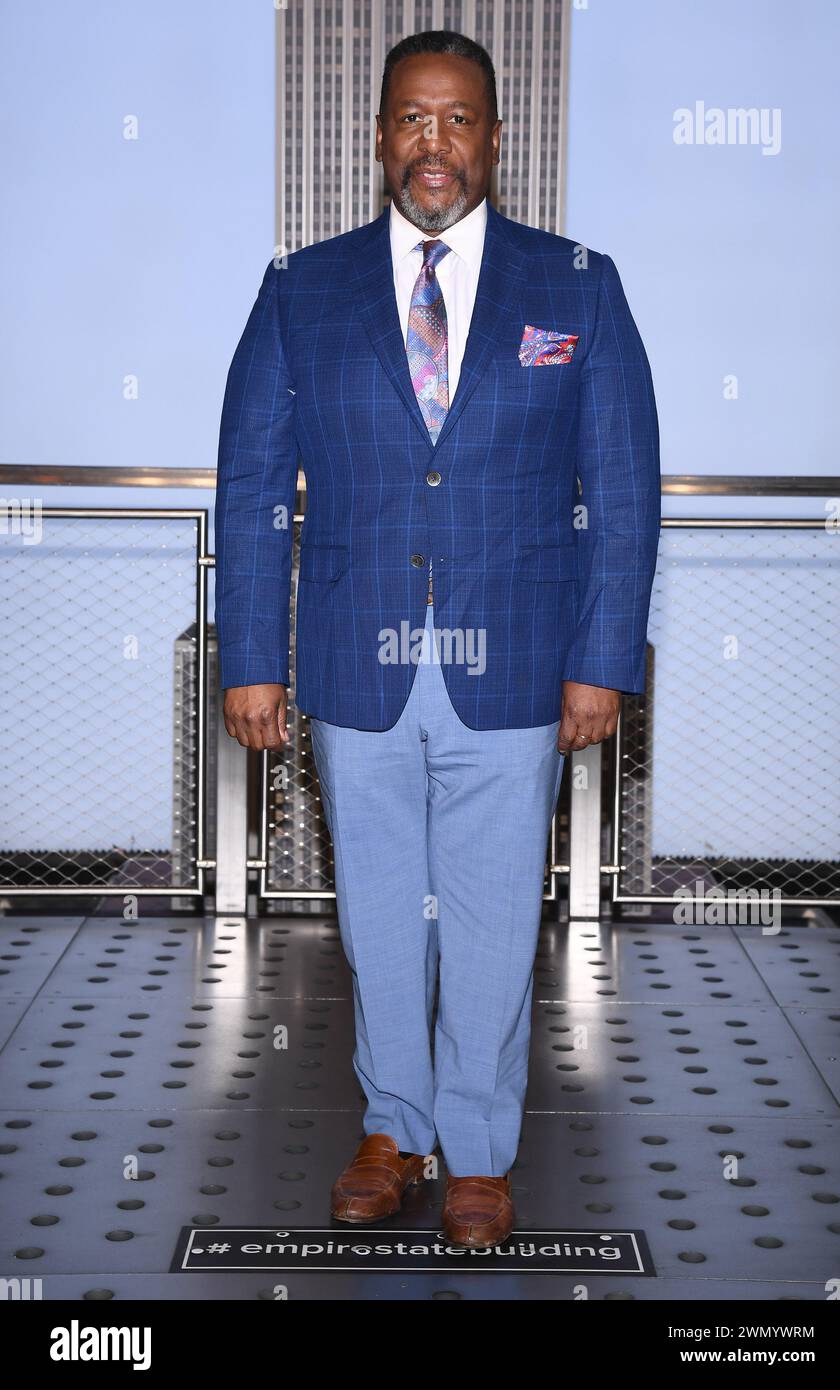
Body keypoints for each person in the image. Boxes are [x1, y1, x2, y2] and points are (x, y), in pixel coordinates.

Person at [214, 29, 660, 1249]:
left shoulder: (576, 284)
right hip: (355, 661)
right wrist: (252, 655)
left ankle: (475, 1149)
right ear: (377, 139)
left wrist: (602, 656)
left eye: (458, 120)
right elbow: (252, 481)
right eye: (412, 119)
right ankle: (391, 1127)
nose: (434, 143)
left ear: (495, 143)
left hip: (516, 664)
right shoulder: (300, 287)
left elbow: (621, 489)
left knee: (487, 916)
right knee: (375, 918)